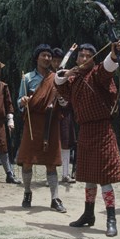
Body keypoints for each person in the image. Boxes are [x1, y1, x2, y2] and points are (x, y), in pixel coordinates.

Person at [55, 41, 120, 237]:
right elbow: (59, 85)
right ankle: (88, 214)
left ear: (94, 59)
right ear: (76, 59)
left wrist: (113, 53)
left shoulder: (98, 74)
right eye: (81, 56)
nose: (84, 59)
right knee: (88, 176)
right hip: (85, 130)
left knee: (104, 178)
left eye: (88, 56)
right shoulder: (74, 79)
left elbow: (108, 67)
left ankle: (111, 218)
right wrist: (66, 74)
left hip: (102, 129)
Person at [17, 44, 66, 212]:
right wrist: (23, 101)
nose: (47, 58)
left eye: (49, 56)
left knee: (51, 163)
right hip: (33, 123)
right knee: (28, 162)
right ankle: (27, 192)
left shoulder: (57, 77)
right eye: (43, 55)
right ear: (37, 57)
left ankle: (55, 198)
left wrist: (61, 99)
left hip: (51, 123)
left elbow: (64, 101)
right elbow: (19, 102)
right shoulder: (27, 78)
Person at [51, 47, 77, 184]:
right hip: (53, 112)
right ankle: (52, 174)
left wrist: (71, 51)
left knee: (66, 143)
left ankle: (65, 174)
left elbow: (63, 66)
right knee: (52, 143)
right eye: (53, 61)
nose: (56, 64)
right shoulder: (49, 76)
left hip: (66, 111)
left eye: (58, 61)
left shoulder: (66, 74)